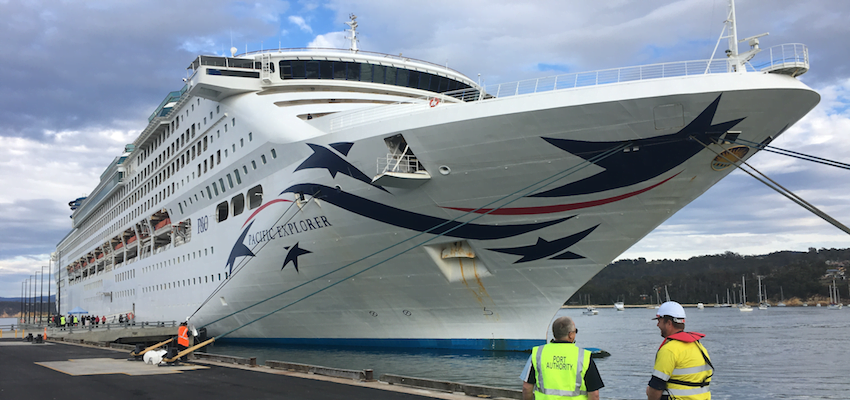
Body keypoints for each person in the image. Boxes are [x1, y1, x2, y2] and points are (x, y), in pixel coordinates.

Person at [520, 316, 603, 400]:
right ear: (570, 335)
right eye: (575, 331)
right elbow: (594, 394)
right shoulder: (584, 356)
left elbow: (527, 388)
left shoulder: (538, 353)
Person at [647, 301, 713, 400]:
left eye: (659, 321)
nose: (657, 325)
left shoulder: (669, 350)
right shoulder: (698, 346)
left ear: (669, 323)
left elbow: (656, 387)